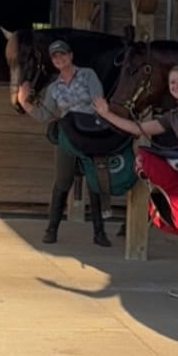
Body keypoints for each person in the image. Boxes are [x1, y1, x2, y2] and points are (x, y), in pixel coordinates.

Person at [94, 64, 178, 297]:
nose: (176, 86)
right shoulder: (173, 116)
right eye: (172, 83)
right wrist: (107, 114)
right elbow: (139, 129)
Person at [16, 38, 111, 249]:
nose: (59, 58)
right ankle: (51, 229)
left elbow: (98, 100)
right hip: (68, 134)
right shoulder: (53, 88)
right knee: (62, 180)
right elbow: (44, 114)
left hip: (90, 131)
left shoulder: (87, 75)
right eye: (55, 56)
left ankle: (99, 232)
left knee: (95, 180)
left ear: (71, 56)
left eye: (63, 54)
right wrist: (24, 102)